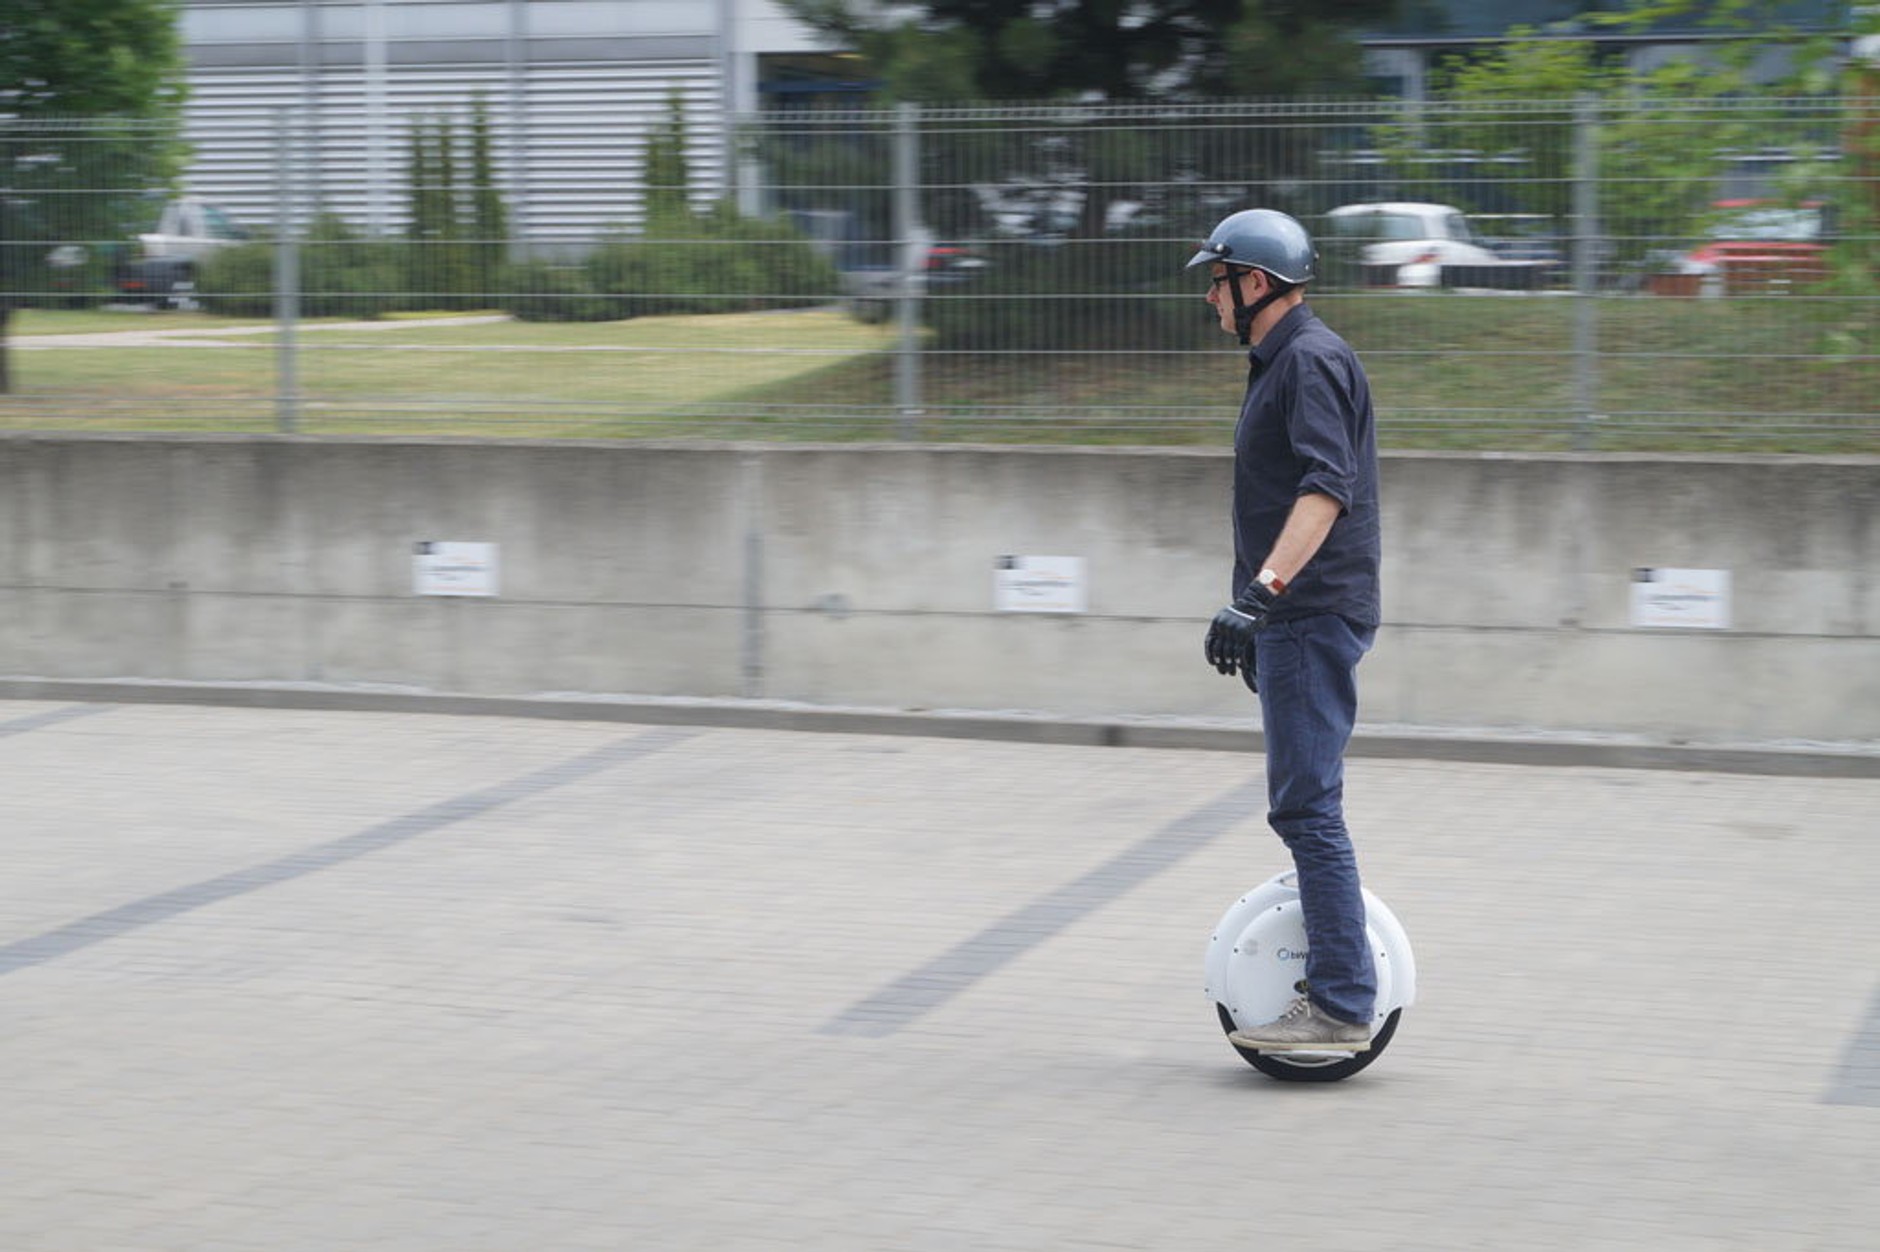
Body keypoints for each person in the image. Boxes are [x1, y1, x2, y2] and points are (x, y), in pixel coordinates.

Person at [1190, 209, 1382, 1052]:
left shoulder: (1307, 360)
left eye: (1218, 278)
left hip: (1306, 613)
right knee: (1305, 806)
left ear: (1255, 283)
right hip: (1293, 618)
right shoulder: (1285, 361)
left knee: (1307, 809)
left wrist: (1260, 596)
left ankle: (1340, 1000)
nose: (1210, 295)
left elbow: (1325, 489)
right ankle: (1334, 982)